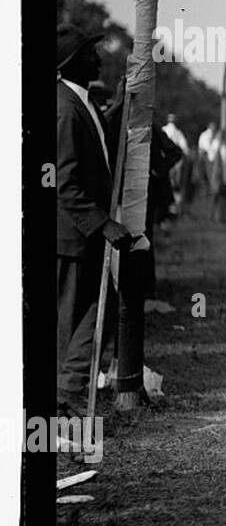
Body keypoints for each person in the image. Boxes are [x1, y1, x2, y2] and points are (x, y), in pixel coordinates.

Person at [56, 24, 135, 412]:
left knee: (94, 311)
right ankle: (63, 396)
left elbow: (102, 136)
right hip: (70, 237)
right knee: (75, 320)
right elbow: (65, 183)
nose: (99, 58)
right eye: (90, 53)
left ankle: (68, 390)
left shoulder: (80, 101)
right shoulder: (64, 109)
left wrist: (121, 101)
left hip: (82, 234)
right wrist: (103, 224)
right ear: (71, 63)